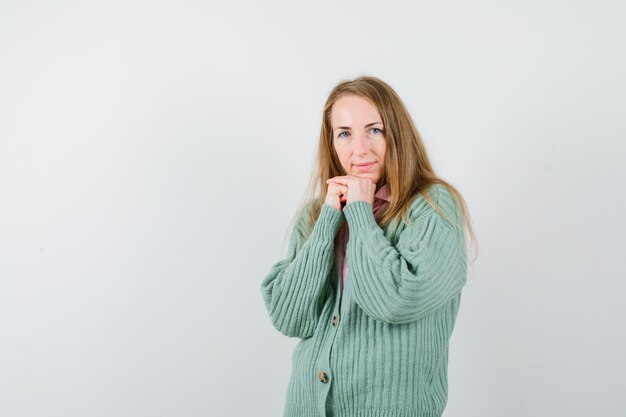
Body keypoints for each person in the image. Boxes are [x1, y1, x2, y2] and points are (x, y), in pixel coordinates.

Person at [260, 75, 477, 417]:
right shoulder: (318, 214)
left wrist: (360, 212)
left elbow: (396, 301)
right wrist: (329, 219)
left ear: (396, 134)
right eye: (344, 133)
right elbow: (289, 318)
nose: (358, 148)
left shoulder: (434, 207)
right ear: (330, 142)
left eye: (374, 130)